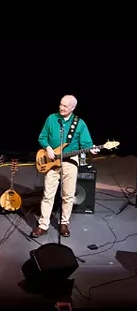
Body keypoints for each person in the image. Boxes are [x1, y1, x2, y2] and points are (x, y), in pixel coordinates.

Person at [31, 95, 99, 238]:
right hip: (51, 161)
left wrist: (91, 149)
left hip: (70, 162)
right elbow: (42, 137)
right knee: (48, 195)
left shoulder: (79, 124)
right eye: (61, 105)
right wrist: (48, 147)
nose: (62, 108)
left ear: (73, 108)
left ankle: (64, 223)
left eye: (65, 106)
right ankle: (43, 225)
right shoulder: (51, 118)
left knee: (68, 195)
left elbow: (87, 144)